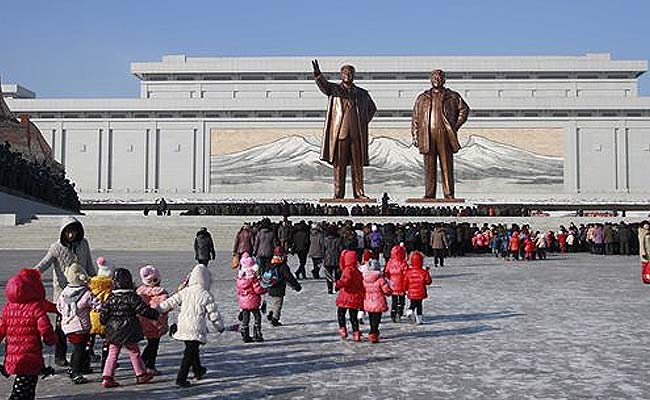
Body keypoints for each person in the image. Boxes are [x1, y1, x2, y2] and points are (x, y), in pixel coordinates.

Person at [34, 217, 96, 366]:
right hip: (63, 292)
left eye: (74, 232)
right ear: (63, 232)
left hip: (82, 290)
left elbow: (89, 264)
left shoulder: (83, 244)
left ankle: (86, 352)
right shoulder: (56, 247)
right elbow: (45, 263)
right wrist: (31, 274)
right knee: (61, 324)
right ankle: (60, 355)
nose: (71, 235)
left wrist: (95, 282)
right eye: (68, 232)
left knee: (85, 322)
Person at [312, 59, 377, 199]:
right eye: (345, 72)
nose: (348, 74)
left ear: (354, 75)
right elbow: (324, 86)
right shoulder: (335, 90)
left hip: (356, 135)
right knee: (339, 165)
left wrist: (363, 121)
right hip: (340, 134)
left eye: (350, 72)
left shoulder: (362, 94)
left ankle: (359, 192)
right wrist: (318, 75)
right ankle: (338, 192)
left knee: (357, 165)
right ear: (341, 75)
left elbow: (372, 108)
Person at [158, 264, 224, 388]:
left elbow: (171, 301)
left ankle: (198, 370)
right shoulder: (206, 295)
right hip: (196, 327)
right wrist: (219, 326)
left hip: (183, 326)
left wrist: (158, 309)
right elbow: (213, 314)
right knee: (189, 353)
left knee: (192, 349)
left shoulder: (185, 291)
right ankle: (181, 378)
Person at [411, 69, 470, 199]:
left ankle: (448, 194)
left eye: (439, 77)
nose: (437, 80)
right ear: (430, 80)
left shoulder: (453, 96)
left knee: (446, 165)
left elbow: (464, 110)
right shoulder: (422, 98)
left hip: (445, 135)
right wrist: (415, 136)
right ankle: (429, 194)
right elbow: (415, 118)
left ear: (444, 80)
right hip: (427, 136)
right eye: (434, 77)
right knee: (429, 167)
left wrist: (455, 126)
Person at [0, 269, 56, 400]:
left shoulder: (8, 307)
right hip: (30, 353)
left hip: (14, 354)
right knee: (26, 383)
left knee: (25, 381)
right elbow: (45, 327)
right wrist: (50, 339)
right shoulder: (36, 307)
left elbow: (1, 328)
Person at [99, 268, 159, 388]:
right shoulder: (132, 296)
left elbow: (103, 313)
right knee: (134, 351)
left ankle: (107, 376)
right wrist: (154, 314)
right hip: (129, 328)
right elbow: (142, 309)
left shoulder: (111, 297)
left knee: (113, 352)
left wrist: (104, 322)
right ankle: (141, 374)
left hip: (113, 329)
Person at [57, 263, 100, 384]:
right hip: (81, 326)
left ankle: (83, 367)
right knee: (80, 349)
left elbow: (59, 307)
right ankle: (74, 370)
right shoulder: (86, 294)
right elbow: (97, 304)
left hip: (67, 326)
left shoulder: (64, 292)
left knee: (83, 347)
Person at [136, 265, 169, 375]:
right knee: (153, 345)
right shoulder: (162, 293)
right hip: (156, 323)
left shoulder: (140, 292)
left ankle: (144, 362)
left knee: (151, 344)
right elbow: (166, 307)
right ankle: (148, 364)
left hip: (143, 322)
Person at [266, 246, 302, 327]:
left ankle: (271, 313)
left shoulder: (271, 263)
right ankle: (275, 319)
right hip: (279, 287)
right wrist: (297, 286)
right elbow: (289, 277)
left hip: (271, 286)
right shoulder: (283, 266)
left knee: (274, 302)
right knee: (278, 304)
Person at [88, 257, 113, 369]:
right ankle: (105, 364)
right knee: (106, 342)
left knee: (89, 341)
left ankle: (85, 361)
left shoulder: (91, 287)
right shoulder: (110, 290)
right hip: (104, 319)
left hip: (91, 318)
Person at [335, 249, 365, 341]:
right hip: (355, 297)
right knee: (353, 316)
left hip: (346, 296)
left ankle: (343, 328)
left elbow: (346, 281)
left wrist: (338, 284)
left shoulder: (347, 270)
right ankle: (356, 333)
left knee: (341, 313)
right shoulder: (358, 271)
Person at [237, 254, 267, 343]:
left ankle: (245, 335)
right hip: (253, 301)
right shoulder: (252, 279)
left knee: (246, 319)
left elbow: (238, 291)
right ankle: (257, 334)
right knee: (257, 316)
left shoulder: (240, 279)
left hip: (243, 302)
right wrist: (264, 290)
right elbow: (257, 289)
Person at [362, 259, 392, 343]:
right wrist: (389, 292)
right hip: (378, 301)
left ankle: (373, 330)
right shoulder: (380, 279)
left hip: (368, 301)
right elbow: (386, 289)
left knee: (371, 317)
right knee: (376, 318)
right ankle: (373, 332)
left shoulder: (364, 278)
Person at [404, 251, 432, 325]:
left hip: (411, 291)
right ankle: (419, 319)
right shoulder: (423, 272)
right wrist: (427, 272)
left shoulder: (408, 272)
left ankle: (410, 311)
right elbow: (428, 281)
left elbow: (405, 282)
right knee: (419, 305)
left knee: (412, 304)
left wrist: (406, 289)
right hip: (420, 291)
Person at [384, 244, 408, 322]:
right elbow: (406, 273)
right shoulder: (403, 263)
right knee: (401, 300)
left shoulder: (390, 262)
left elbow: (386, 272)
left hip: (393, 284)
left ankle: (393, 313)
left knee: (394, 301)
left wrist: (389, 278)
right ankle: (399, 312)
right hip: (401, 284)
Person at [323, 225, 343, 294]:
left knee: (329, 274)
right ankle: (337, 287)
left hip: (327, 259)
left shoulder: (325, 239)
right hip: (336, 258)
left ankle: (329, 288)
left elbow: (323, 249)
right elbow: (340, 249)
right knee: (338, 275)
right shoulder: (338, 239)